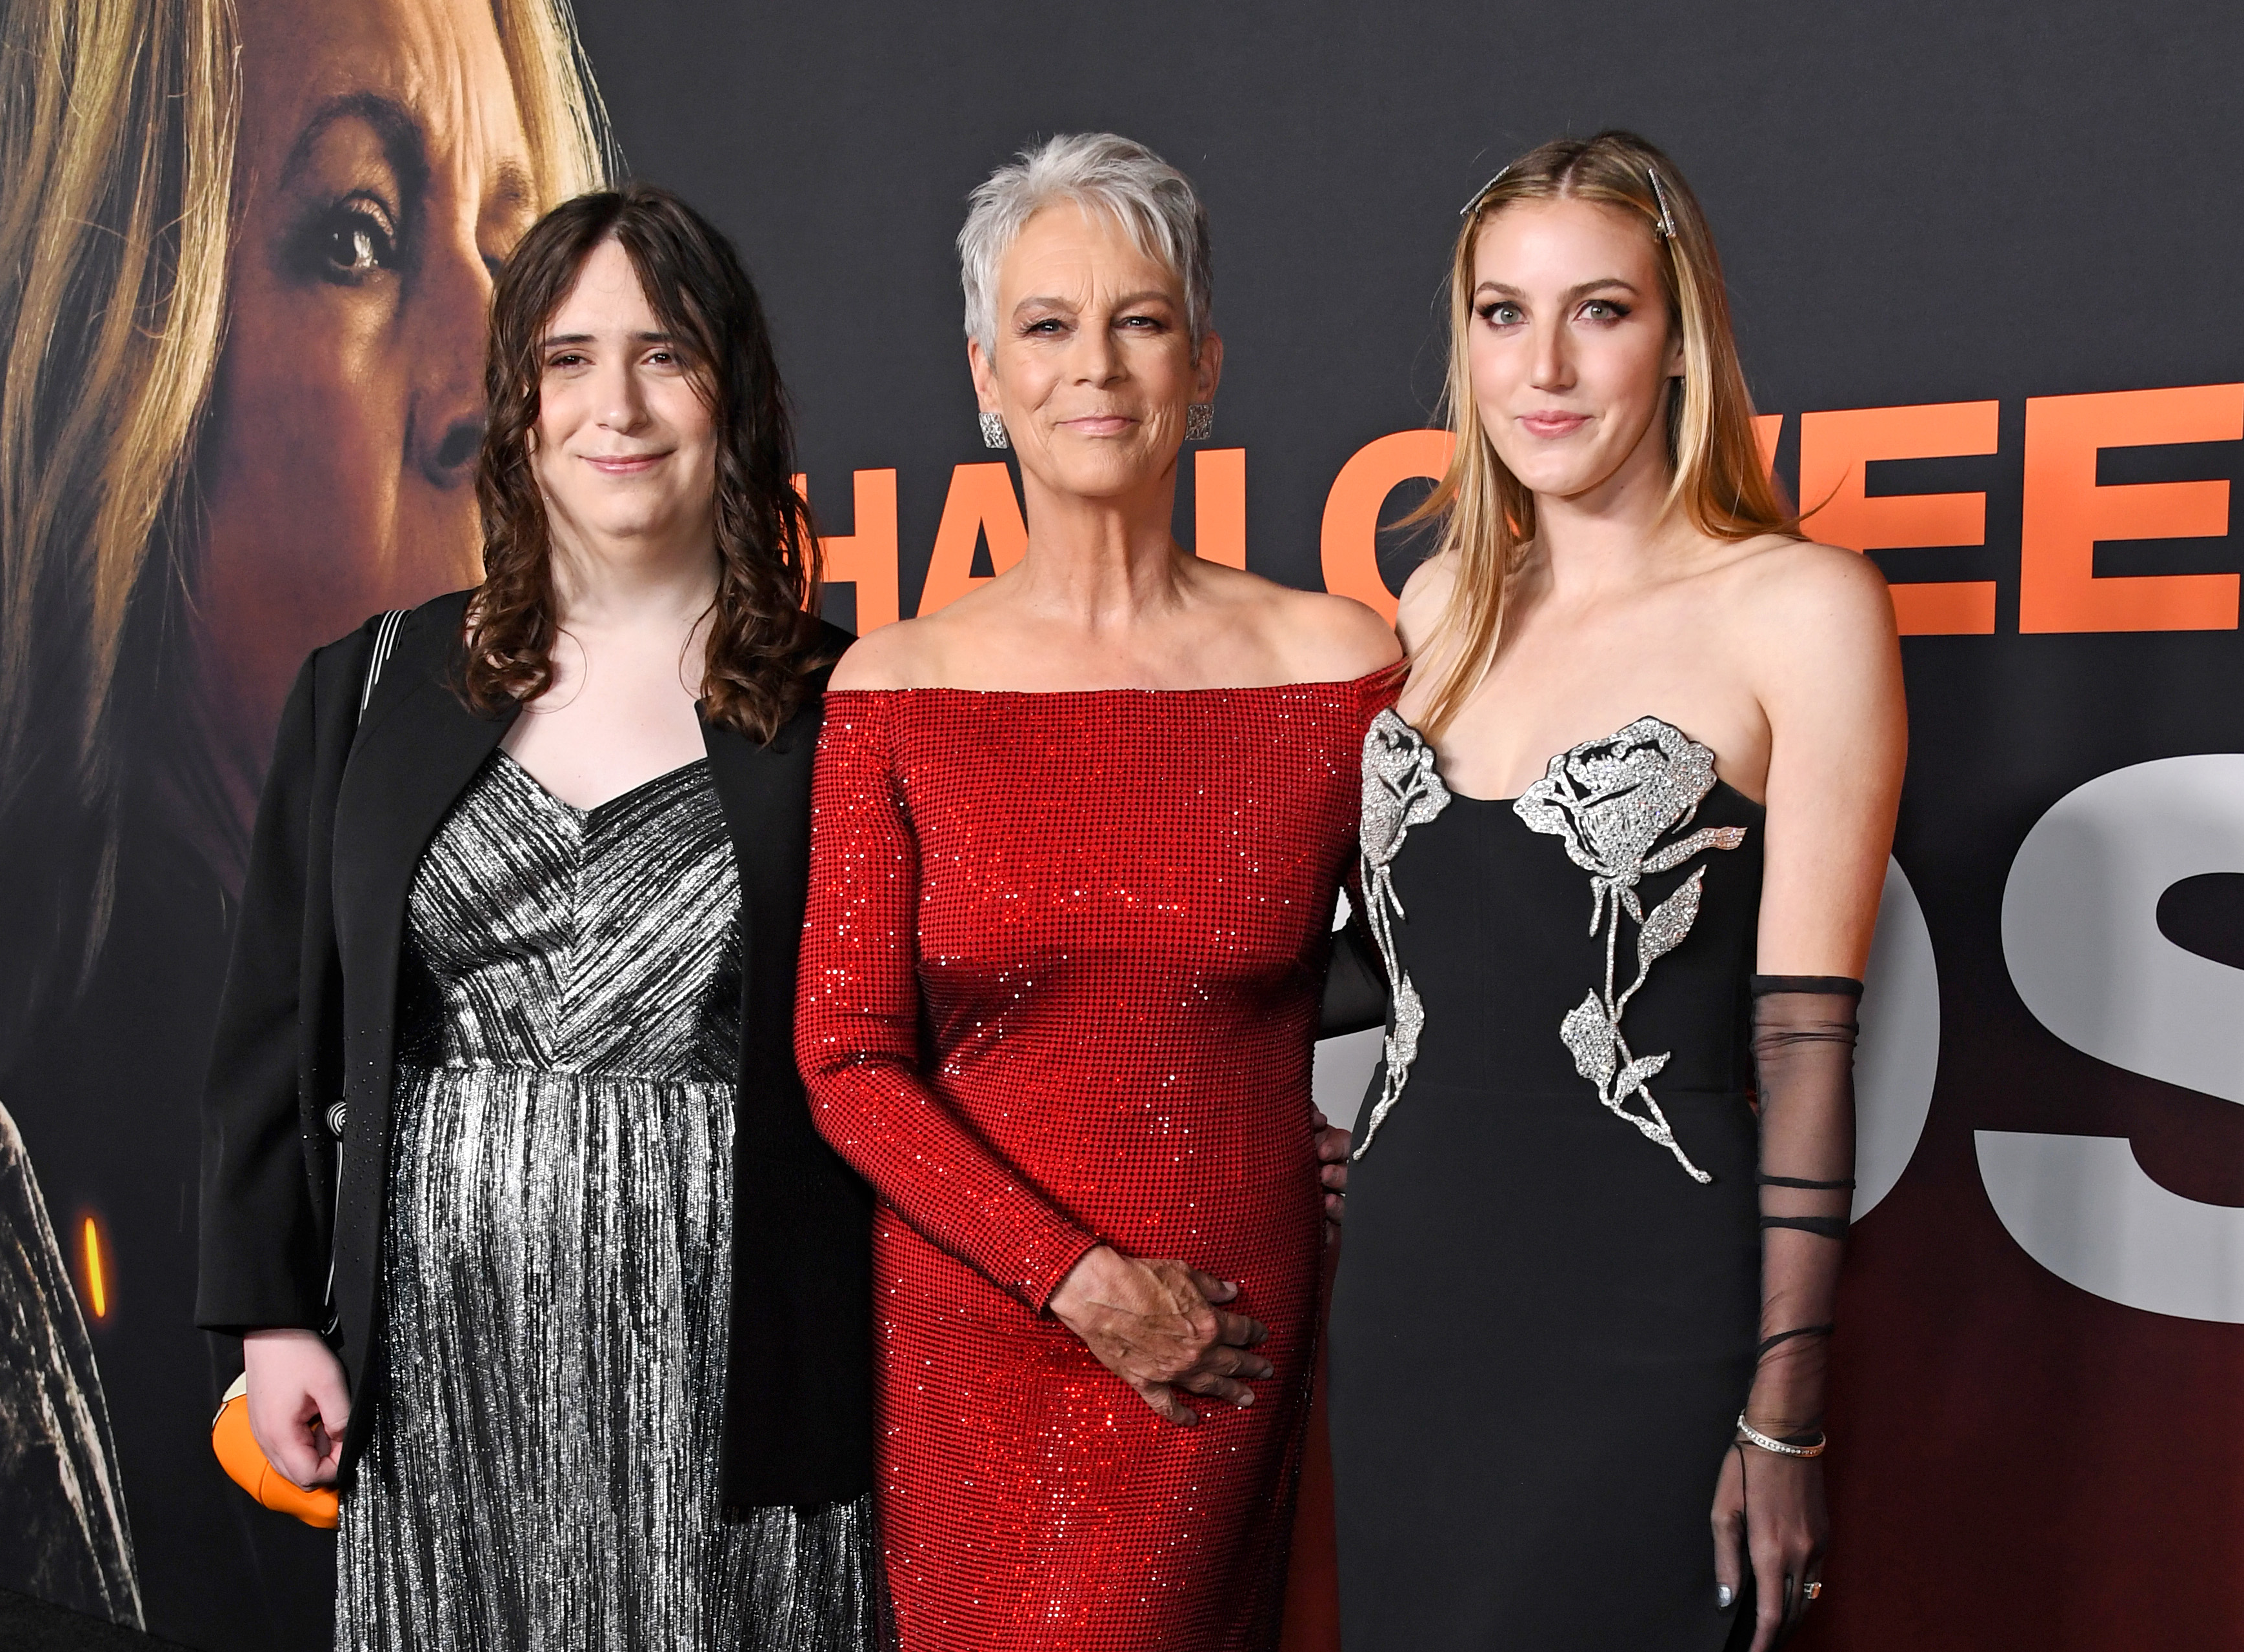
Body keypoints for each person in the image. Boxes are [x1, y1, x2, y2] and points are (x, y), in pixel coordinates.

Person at [0, 0, 608, 1631]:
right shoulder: (69, 1166)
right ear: (115, 379)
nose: (508, 387)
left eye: (518, 255)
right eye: (355, 240)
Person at [195, 184, 884, 1650]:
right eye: (568, 359)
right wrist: (272, 1315)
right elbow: (270, 1024)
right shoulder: (365, 688)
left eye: (664, 354)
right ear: (516, 403)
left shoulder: (857, 706)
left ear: (735, 395)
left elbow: (951, 1029)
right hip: (437, 1365)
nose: (614, 406)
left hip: (742, 1369)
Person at [794, 133, 1401, 1652]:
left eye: (1139, 321)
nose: (1096, 367)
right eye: (1047, 326)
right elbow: (846, 1060)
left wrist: (1357, 1123)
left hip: (1221, 1319)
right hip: (976, 1318)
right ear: (986, 378)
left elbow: (1457, 957)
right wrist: (1068, 1279)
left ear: (1203, 366)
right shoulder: (894, 685)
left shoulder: (1339, 667)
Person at [1327, 131, 1904, 1651]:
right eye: (1501, 313)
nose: (1545, 368)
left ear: (1679, 337)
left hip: (1648, 1309)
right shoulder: (1436, 605)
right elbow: (1417, 958)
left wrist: (1784, 1409)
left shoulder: (1799, 608)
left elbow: (1802, 1044)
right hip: (1407, 1303)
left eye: (1600, 310)